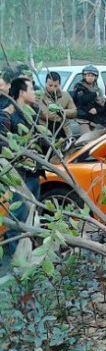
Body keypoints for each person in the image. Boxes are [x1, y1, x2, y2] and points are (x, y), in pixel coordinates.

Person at [0, 78, 41, 255]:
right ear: (22, 92)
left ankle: (28, 257)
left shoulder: (31, 113)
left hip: (33, 173)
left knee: (31, 218)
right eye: (31, 89)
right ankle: (16, 263)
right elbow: (4, 148)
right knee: (18, 220)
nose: (35, 92)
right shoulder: (7, 115)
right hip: (18, 176)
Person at [37, 71, 77, 139]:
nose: (53, 88)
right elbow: (46, 114)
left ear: (59, 85)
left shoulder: (65, 95)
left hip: (64, 131)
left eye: (56, 86)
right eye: (50, 85)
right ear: (46, 84)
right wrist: (62, 116)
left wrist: (60, 111)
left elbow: (74, 112)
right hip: (46, 131)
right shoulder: (39, 96)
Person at [72, 64, 106, 134]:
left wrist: (96, 109)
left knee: (96, 140)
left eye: (92, 76)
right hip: (83, 119)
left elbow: (102, 105)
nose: (90, 77)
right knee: (86, 138)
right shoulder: (79, 87)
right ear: (84, 76)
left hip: (95, 120)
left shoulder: (97, 89)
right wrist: (94, 96)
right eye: (88, 75)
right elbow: (81, 101)